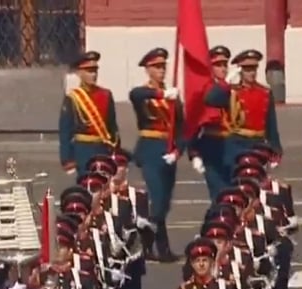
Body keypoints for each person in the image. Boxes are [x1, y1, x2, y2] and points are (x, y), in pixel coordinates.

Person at [129, 47, 185, 262]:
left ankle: (154, 247)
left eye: (163, 66)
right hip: (150, 148)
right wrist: (161, 94)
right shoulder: (146, 94)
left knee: (165, 202)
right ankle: (154, 245)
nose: (161, 70)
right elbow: (135, 95)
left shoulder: (173, 96)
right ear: (148, 70)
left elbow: (181, 127)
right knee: (158, 198)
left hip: (168, 150)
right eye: (156, 67)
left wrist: (178, 150)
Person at [204, 49, 282, 183]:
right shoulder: (232, 91)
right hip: (237, 144)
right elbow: (211, 99)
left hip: (258, 144)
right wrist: (225, 84)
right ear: (240, 71)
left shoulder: (265, 92)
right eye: (247, 69)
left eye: (253, 69)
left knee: (257, 188)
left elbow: (271, 123)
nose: (251, 73)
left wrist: (275, 148)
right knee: (240, 187)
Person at [59, 52, 120, 175]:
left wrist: (116, 153)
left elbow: (112, 127)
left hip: (103, 150)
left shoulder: (106, 95)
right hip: (83, 151)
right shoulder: (73, 98)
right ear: (79, 73)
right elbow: (65, 131)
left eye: (95, 71)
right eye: (89, 71)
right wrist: (67, 159)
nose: (93, 75)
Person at [189, 45, 232, 201]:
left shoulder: (233, 89)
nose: (223, 69)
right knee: (219, 195)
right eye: (218, 65)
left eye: (224, 65)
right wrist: (194, 153)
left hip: (233, 146)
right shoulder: (206, 90)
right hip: (212, 147)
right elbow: (194, 123)